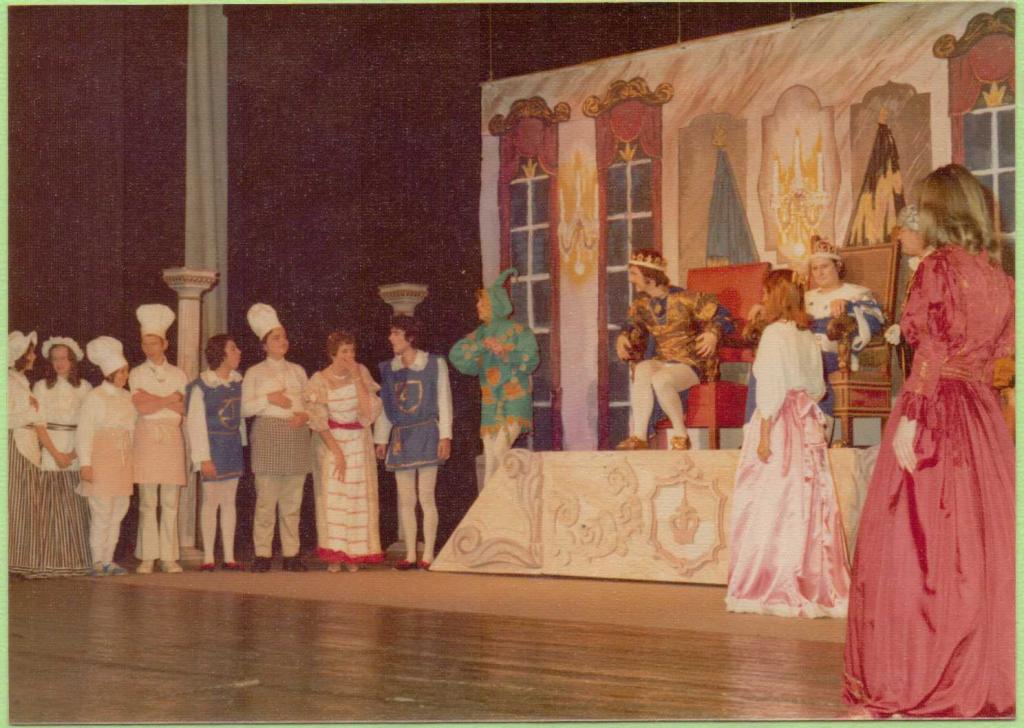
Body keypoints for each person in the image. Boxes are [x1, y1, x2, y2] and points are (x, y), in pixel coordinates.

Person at [844, 164, 1015, 718]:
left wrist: (912, 415)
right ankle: (982, 677)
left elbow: (933, 347)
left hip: (937, 407)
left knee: (913, 548)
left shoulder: (939, 265)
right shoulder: (998, 275)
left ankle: (915, 678)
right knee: (978, 547)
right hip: (982, 419)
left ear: (937, 209)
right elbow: (1002, 353)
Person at [725, 269, 849, 618]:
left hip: (778, 422)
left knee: (771, 503)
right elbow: (817, 389)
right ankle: (810, 580)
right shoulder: (806, 336)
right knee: (806, 503)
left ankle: (772, 583)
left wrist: (764, 435)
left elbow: (770, 389)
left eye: (766, 294)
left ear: (776, 297)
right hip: (804, 422)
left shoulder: (774, 335)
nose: (763, 300)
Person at [613, 248, 732, 450]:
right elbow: (632, 324)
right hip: (662, 360)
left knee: (661, 379)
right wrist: (623, 336)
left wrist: (713, 333)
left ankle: (680, 435)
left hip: (690, 363)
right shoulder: (642, 304)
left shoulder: (685, 298)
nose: (631, 279)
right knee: (642, 369)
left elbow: (724, 316)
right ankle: (639, 437)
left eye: (634, 274)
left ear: (650, 276)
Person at [376, 315, 453, 570]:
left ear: (410, 337)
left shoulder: (434, 363)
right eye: (391, 333)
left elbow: (444, 400)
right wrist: (381, 438)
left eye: (396, 333)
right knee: (406, 498)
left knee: (426, 496)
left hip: (427, 432)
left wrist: (445, 435)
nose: (391, 338)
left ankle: (428, 554)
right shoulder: (389, 369)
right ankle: (410, 554)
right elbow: (386, 407)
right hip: (402, 437)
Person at [449, 268, 537, 483]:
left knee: (499, 451)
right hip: (490, 403)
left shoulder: (519, 330)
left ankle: (506, 497)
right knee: (490, 458)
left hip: (514, 400)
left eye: (482, 302)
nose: (478, 306)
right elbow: (457, 356)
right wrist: (482, 346)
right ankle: (494, 500)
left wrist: (506, 353)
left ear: (495, 304)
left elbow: (531, 360)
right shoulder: (480, 333)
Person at [306, 331, 384, 572]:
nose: (349, 356)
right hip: (332, 442)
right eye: (344, 352)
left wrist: (357, 377)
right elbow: (318, 420)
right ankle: (335, 555)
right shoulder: (319, 379)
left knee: (357, 496)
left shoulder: (361, 371)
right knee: (335, 497)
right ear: (333, 354)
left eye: (352, 351)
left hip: (358, 442)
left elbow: (367, 413)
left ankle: (355, 554)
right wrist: (337, 453)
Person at [242, 303, 311, 572]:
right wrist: (268, 399)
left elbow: (310, 402)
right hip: (268, 435)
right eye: (276, 338)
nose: (282, 341)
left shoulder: (298, 371)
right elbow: (244, 408)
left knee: (292, 502)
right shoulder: (255, 372)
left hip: (295, 435)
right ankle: (262, 553)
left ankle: (292, 554)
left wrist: (304, 415)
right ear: (264, 345)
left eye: (284, 337)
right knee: (266, 502)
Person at [129, 303, 189, 574]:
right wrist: (169, 399)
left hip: (171, 438)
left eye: (154, 343)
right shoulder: (136, 373)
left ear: (165, 344)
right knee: (147, 501)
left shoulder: (179, 374)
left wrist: (155, 400)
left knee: (170, 501)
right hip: (147, 438)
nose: (149, 348)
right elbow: (141, 407)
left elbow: (183, 408)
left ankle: (168, 556)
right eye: (145, 343)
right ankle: (148, 556)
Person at [27, 337, 93, 577]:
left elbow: (89, 425)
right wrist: (55, 453)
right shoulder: (41, 387)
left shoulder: (84, 387)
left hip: (76, 445)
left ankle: (73, 561)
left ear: (72, 360)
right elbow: (39, 424)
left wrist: (74, 453)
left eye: (64, 358)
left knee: (74, 507)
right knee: (49, 506)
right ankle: (49, 562)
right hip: (50, 448)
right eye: (55, 359)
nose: (59, 363)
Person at [804, 237, 884, 418]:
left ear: (838, 266)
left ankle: (819, 424)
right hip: (804, 352)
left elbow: (875, 322)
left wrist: (849, 307)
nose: (819, 273)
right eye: (815, 268)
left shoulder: (855, 293)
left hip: (836, 354)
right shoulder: (805, 297)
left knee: (810, 364)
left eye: (824, 267)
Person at [186, 334, 246, 571]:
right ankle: (209, 557)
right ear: (220, 354)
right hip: (212, 448)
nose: (238, 352)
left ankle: (229, 556)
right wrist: (203, 458)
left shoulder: (237, 382)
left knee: (229, 501)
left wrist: (240, 444)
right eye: (233, 348)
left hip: (231, 446)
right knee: (211, 501)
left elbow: (239, 416)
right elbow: (195, 424)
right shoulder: (202, 386)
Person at [78, 336, 137, 576]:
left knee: (118, 511)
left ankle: (108, 559)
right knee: (102, 511)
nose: (125, 376)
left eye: (126, 371)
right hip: (101, 460)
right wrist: (86, 463)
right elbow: (85, 432)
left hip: (122, 461)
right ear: (110, 373)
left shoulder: (127, 397)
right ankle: (96, 560)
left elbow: (131, 431)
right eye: (121, 372)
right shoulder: (95, 397)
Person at [8, 330, 45, 576]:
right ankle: (16, 561)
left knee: (27, 503)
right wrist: (31, 413)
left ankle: (24, 560)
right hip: (16, 445)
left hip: (27, 443)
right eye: (31, 353)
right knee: (17, 503)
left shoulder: (21, 381)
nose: (34, 357)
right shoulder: (9, 382)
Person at [883, 205, 934, 378]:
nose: (899, 237)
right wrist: (902, 327)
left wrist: (905, 328)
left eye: (902, 231)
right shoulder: (918, 266)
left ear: (917, 232)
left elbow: (934, 311)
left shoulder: (935, 267)